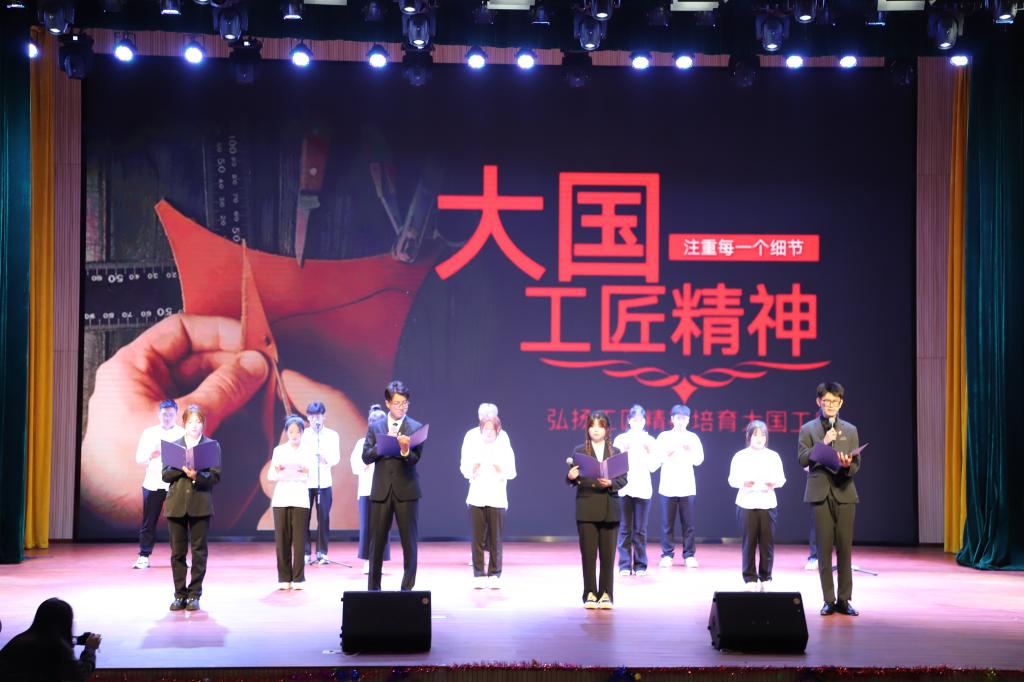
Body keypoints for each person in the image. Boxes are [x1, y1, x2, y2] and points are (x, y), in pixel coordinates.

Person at [798, 381, 862, 617]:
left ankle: (844, 600)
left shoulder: (851, 430)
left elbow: (856, 464)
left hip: (844, 492)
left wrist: (847, 464)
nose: (831, 405)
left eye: (835, 401)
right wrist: (823, 443)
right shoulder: (808, 429)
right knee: (824, 550)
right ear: (819, 402)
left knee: (845, 548)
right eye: (826, 401)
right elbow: (802, 459)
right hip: (820, 493)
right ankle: (828, 599)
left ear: (841, 403)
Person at [362, 380, 425, 591]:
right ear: (388, 403)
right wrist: (383, 445)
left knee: (409, 542)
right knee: (377, 543)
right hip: (381, 491)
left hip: (406, 490)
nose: (401, 407)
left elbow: (415, 459)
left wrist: (405, 450)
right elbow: (366, 456)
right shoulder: (376, 427)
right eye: (397, 403)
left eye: (404, 403)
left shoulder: (415, 427)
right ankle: (373, 589)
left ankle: (407, 589)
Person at [567, 411, 628, 610]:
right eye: (592, 426)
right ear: (587, 429)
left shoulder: (616, 452)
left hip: (610, 508)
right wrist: (571, 476)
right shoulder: (579, 450)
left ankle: (606, 594)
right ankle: (590, 594)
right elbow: (573, 478)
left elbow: (623, 479)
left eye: (600, 426)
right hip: (587, 507)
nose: (595, 430)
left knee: (608, 557)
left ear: (607, 430)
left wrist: (611, 483)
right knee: (588, 556)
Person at [163, 404, 221, 612]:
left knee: (199, 552)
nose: (194, 426)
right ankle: (180, 595)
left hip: (200, 504)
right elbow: (165, 475)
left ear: (203, 424)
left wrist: (197, 475)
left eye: (198, 422)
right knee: (177, 553)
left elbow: (215, 476)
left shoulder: (210, 446)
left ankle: (194, 594)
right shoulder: (174, 446)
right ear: (184, 423)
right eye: (190, 422)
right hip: (177, 504)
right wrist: (182, 468)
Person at [460, 410, 517, 588]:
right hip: (477, 496)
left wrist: (501, 470)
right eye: (485, 429)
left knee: (495, 538)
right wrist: (472, 469)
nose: (489, 432)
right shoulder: (473, 444)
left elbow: (512, 472)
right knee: (477, 538)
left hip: (497, 497)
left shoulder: (504, 446)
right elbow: (463, 468)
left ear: (498, 430)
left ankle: (494, 574)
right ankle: (478, 573)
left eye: (492, 429)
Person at [728, 420, 786, 591]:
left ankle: (766, 577)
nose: (759, 438)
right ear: (749, 436)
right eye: (755, 434)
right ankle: (750, 578)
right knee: (749, 542)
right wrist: (744, 482)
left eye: (763, 435)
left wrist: (774, 483)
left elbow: (782, 479)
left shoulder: (773, 456)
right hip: (746, 503)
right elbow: (732, 479)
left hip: (768, 503)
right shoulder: (740, 456)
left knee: (767, 543)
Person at [132, 399, 185, 569]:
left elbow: (189, 460)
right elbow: (139, 458)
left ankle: (179, 557)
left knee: (177, 522)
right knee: (149, 521)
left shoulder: (182, 433)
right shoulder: (149, 433)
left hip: (174, 483)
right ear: (158, 414)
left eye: (171, 415)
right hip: (153, 482)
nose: (167, 418)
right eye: (164, 414)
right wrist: (150, 455)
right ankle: (144, 556)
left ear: (176, 415)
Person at [0, 598, 101, 682]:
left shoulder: (21, 639)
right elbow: (80, 674)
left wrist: (76, 640)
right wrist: (90, 648)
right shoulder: (56, 645)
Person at [269, 415, 316, 589]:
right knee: (282, 539)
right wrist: (278, 470)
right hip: (281, 498)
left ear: (303, 432)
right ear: (286, 433)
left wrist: (307, 471)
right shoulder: (279, 451)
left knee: (299, 539)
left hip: (300, 498)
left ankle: (298, 578)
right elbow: (271, 476)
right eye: (291, 431)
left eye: (298, 431)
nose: (294, 435)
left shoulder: (308, 451)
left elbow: (314, 478)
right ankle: (284, 578)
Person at [611, 405, 660, 577]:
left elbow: (654, 466)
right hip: (625, 489)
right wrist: (623, 451)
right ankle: (624, 564)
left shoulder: (650, 440)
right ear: (629, 421)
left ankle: (640, 565)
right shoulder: (621, 439)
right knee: (625, 528)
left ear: (645, 421)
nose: (637, 423)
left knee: (640, 529)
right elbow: (614, 467)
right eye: (634, 420)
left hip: (643, 489)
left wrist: (648, 451)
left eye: (640, 420)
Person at [655, 404, 704, 568]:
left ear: (688, 420)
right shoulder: (664, 437)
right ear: (672, 419)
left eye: (684, 418)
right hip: (667, 486)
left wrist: (690, 450)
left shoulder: (693, 438)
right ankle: (667, 555)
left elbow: (699, 460)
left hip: (687, 486)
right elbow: (655, 459)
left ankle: (689, 555)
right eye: (678, 418)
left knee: (688, 524)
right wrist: (666, 453)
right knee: (667, 524)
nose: (681, 421)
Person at [349, 403, 391, 574]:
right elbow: (355, 466)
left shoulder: (389, 443)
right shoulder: (362, 443)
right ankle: (367, 561)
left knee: (383, 526)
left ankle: (379, 560)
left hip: (385, 491)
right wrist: (365, 464)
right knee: (367, 527)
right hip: (367, 490)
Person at [302, 401, 341, 565]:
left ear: (324, 416)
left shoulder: (332, 435)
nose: (314, 420)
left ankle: (322, 552)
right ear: (307, 417)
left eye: (317, 416)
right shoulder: (303, 435)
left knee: (323, 518)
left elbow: (336, 458)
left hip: (323, 482)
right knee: (303, 518)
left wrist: (325, 458)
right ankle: (305, 552)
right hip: (305, 483)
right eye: (311, 417)